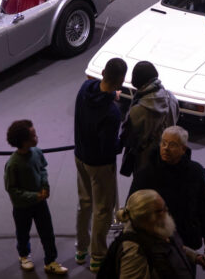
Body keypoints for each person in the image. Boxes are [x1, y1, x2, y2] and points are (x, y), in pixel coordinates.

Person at [129, 126, 205, 257]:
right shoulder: (145, 174)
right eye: (163, 143)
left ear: (183, 149)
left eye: (172, 145)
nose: (166, 148)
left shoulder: (195, 172)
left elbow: (204, 205)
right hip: (156, 240)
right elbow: (132, 207)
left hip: (187, 237)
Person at [75, 57, 127, 272]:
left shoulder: (85, 88)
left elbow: (98, 97)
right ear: (121, 82)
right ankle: (98, 256)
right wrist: (124, 140)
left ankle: (81, 250)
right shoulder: (112, 113)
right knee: (103, 209)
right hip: (100, 166)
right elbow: (110, 148)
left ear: (103, 72)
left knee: (85, 203)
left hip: (80, 156)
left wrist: (110, 96)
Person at [4, 120, 67, 275]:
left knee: (47, 232)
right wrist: (35, 196)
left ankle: (50, 261)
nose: (36, 137)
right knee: (23, 233)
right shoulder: (13, 164)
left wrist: (45, 186)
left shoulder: (37, 152)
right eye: (33, 136)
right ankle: (24, 255)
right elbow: (12, 190)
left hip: (40, 203)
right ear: (23, 141)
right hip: (22, 207)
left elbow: (42, 169)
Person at [114, 189, 205, 278]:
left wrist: (194, 256)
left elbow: (170, 247)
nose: (166, 213)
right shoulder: (134, 250)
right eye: (160, 211)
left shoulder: (154, 228)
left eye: (165, 208)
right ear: (144, 216)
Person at [120, 61, 180, 177]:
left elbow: (128, 138)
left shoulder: (137, 110)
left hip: (144, 162)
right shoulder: (171, 98)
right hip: (168, 157)